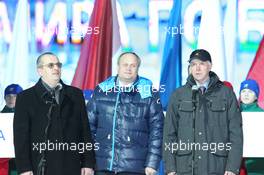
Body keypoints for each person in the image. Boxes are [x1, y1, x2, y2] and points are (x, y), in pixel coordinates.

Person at [163, 49, 243, 175]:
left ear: (210, 66)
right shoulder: (178, 95)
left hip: (217, 167)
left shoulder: (226, 94)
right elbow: (169, 134)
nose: (197, 68)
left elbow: (236, 134)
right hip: (185, 168)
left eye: (201, 64)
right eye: (193, 64)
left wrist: (232, 167)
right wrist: (170, 168)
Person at [13, 52, 95, 175]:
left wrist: (88, 162)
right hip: (40, 166)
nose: (56, 68)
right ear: (40, 71)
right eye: (51, 65)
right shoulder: (25, 98)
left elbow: (84, 131)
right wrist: (24, 168)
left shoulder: (75, 94)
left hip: (71, 165)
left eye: (58, 65)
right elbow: (21, 137)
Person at [87, 52, 164, 175]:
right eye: (125, 64)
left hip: (135, 168)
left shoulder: (148, 93)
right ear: (118, 66)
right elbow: (88, 128)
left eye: (133, 65)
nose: (128, 68)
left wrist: (152, 163)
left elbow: (157, 131)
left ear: (138, 68)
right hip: (103, 165)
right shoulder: (101, 90)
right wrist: (87, 162)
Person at [239, 79, 264, 175]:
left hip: (257, 165)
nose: (246, 94)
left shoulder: (261, 114)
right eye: (243, 91)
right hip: (238, 162)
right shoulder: (234, 113)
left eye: (250, 91)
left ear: (256, 96)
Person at [0, 84, 22, 175]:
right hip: (4, 162)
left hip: (22, 161)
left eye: (15, 96)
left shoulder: (28, 117)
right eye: (8, 96)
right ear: (5, 98)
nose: (11, 99)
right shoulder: (1, 117)